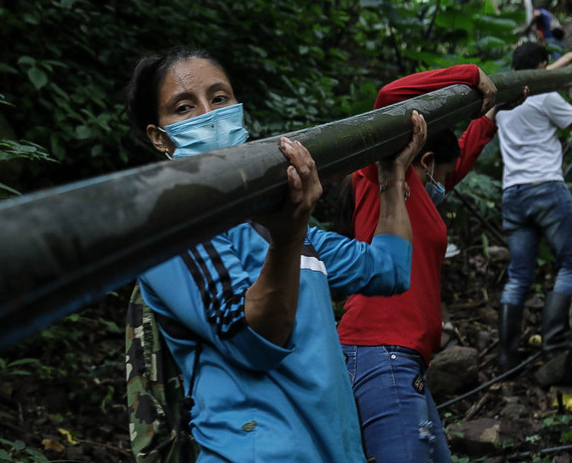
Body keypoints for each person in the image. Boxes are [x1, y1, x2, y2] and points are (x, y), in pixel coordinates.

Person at [124, 45, 427, 463]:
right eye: (183, 107)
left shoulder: (276, 222)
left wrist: (391, 178)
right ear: (159, 136)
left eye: (219, 98)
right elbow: (256, 342)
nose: (209, 115)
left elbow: (390, 270)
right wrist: (287, 238)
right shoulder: (172, 230)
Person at [337, 64, 507, 463]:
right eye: (440, 174)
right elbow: (387, 99)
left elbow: (459, 162)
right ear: (425, 161)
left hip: (401, 354)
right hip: (381, 349)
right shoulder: (381, 178)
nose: (444, 183)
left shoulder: (419, 195)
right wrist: (470, 74)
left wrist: (492, 111)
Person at [494, 43, 572, 374]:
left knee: (519, 275)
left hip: (513, 193)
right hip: (546, 188)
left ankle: (507, 357)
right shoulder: (545, 96)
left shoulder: (504, 99)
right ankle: (555, 347)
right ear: (541, 66)